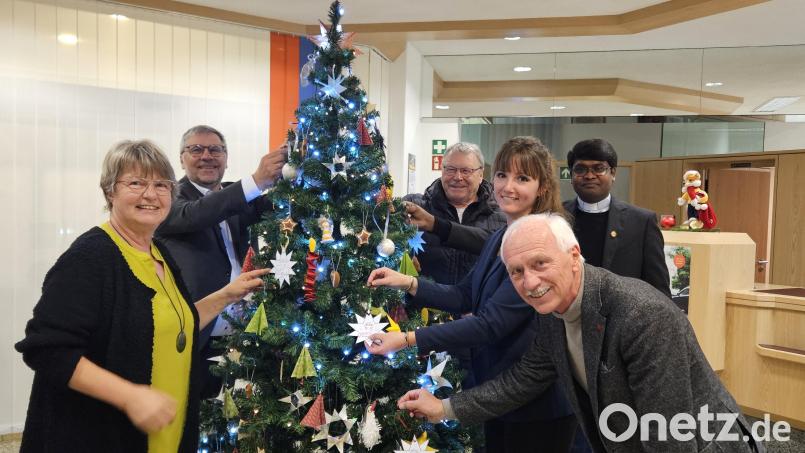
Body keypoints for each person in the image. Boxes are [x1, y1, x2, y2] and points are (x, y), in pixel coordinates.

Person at [396, 213, 762, 453]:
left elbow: (667, 436)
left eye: (540, 263)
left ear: (574, 255)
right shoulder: (554, 311)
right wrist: (443, 407)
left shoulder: (641, 316)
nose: (530, 282)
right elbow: (524, 379)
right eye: (517, 271)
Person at [15, 140, 269, 452]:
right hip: (100, 436)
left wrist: (227, 295)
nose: (151, 194)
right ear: (110, 192)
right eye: (136, 183)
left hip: (165, 438)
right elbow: (47, 350)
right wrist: (130, 396)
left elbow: (178, 322)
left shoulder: (158, 252)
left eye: (161, 184)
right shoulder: (91, 257)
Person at [368, 137, 576, 452]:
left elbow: (489, 323)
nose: (508, 186)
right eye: (503, 175)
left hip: (535, 406)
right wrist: (408, 283)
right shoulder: (502, 237)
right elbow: (465, 294)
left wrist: (408, 339)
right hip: (496, 395)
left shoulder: (542, 241)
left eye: (522, 178)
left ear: (543, 187)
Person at [155, 125, 286, 393]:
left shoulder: (235, 196)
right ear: (181, 158)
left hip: (242, 339)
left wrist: (293, 165)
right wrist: (256, 180)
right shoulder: (169, 199)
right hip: (196, 337)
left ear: (226, 158)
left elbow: (276, 205)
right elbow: (199, 213)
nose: (207, 156)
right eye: (196, 149)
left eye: (215, 149)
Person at [564, 139, 670, 297]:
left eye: (599, 168)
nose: (589, 176)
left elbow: (658, 288)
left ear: (613, 173)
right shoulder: (556, 216)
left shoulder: (641, 221)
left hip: (623, 317)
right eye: (580, 169)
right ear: (571, 174)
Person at [402, 142, 506, 284]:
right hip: (422, 302)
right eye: (450, 169)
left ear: (481, 174)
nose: (457, 177)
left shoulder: (502, 216)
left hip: (478, 305)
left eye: (466, 171)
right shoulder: (415, 207)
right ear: (442, 170)